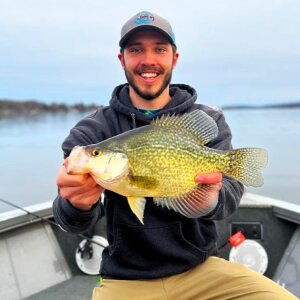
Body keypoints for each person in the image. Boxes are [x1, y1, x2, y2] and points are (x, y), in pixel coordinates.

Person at [53, 11, 298, 300]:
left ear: (174, 58)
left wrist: (209, 201)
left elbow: (230, 191)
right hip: (126, 279)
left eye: (159, 49)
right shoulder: (93, 132)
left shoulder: (207, 119)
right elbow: (72, 222)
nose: (148, 60)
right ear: (122, 60)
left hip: (201, 270)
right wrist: (76, 204)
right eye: (135, 50)